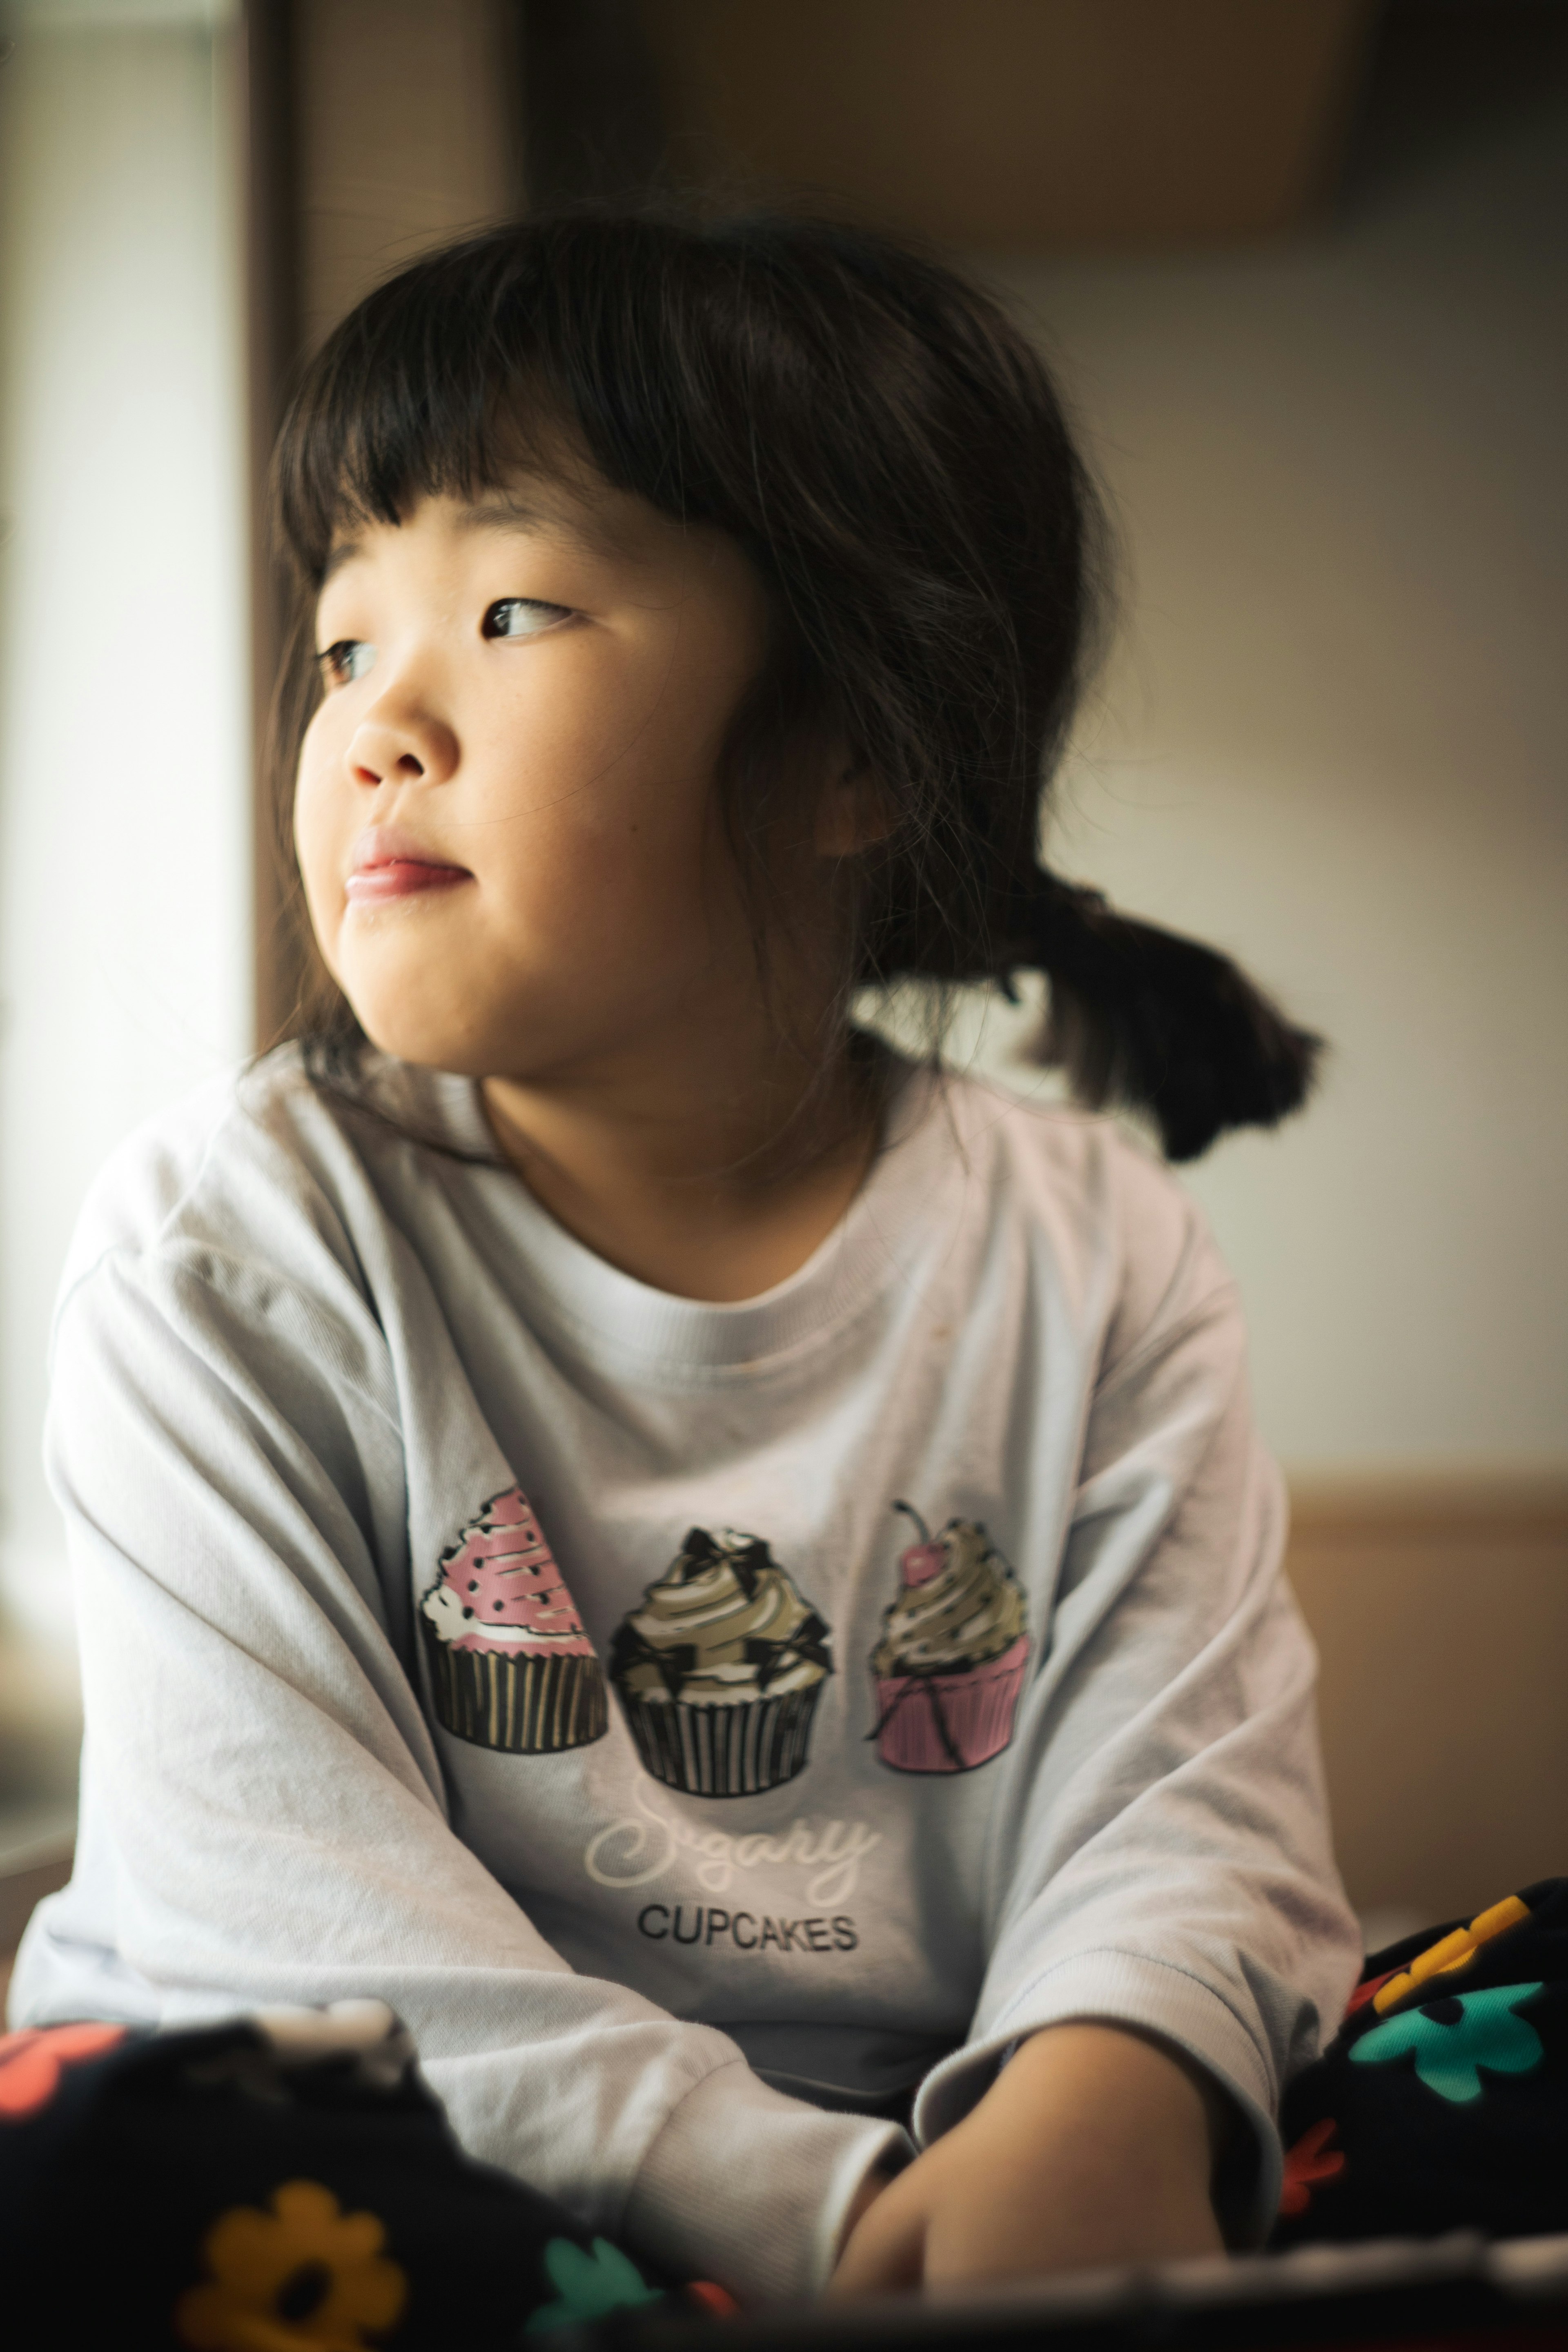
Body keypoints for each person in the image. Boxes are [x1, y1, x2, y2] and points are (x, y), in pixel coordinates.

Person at [10, 210, 1359, 2308]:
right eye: (347, 638)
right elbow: (271, 1899)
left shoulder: (1095, 1255)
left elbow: (1191, 1808)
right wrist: (834, 2231)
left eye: (517, 606)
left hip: (936, 2137)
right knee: (103, 2179)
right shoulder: (236, 1239)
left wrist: (1106, 2095)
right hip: (368, 2131)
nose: (372, 723)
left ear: (852, 755)